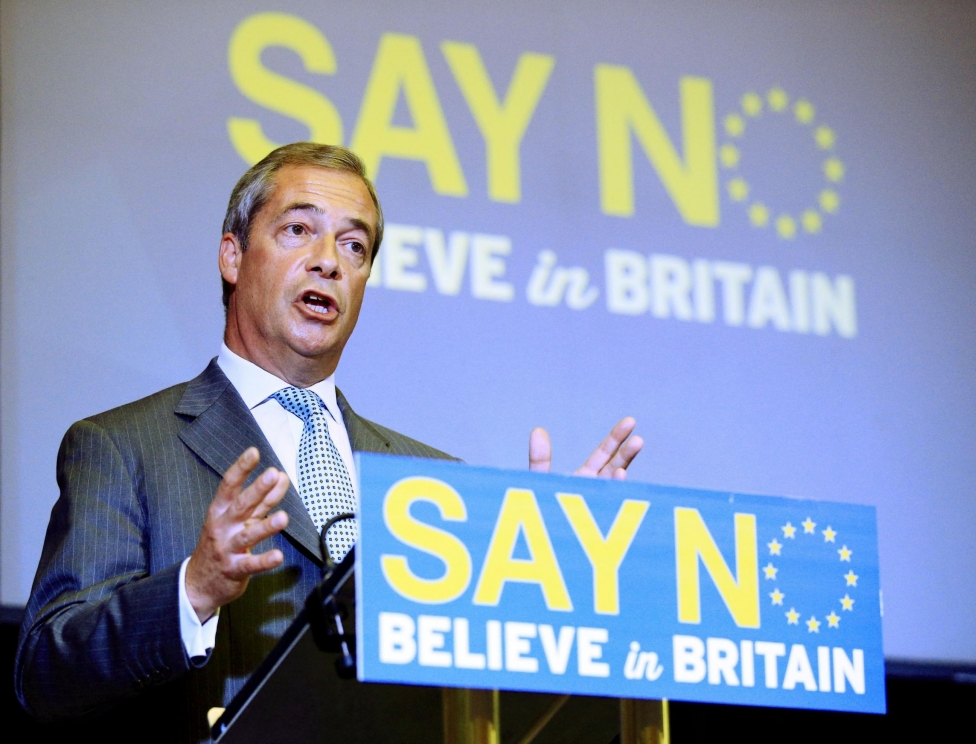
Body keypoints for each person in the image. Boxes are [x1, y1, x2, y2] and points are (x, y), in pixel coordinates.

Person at [14, 143, 643, 741]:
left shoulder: (432, 478)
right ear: (232, 256)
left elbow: (484, 690)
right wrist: (195, 588)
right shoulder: (123, 447)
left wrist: (556, 574)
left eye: (354, 245)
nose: (329, 261)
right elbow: (45, 672)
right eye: (298, 230)